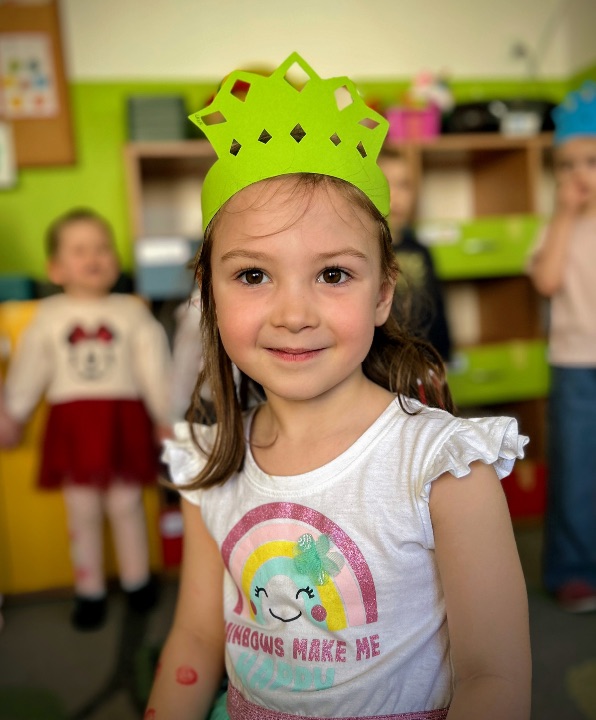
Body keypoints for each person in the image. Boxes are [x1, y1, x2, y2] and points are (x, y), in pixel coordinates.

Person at [146, 53, 531, 719]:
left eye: (332, 274)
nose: (294, 314)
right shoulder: (212, 460)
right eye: (253, 275)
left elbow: (493, 678)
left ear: (383, 294)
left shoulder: (444, 468)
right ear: (208, 292)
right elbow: (198, 638)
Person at [0, 209, 172, 630]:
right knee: (81, 510)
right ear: (55, 269)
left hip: (121, 420)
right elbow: (30, 366)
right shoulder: (49, 314)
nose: (94, 257)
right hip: (74, 425)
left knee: (127, 503)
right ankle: (88, 589)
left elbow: (154, 368)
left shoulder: (132, 311)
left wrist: (166, 416)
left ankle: (137, 581)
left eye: (102, 248)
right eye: (79, 250)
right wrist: (14, 412)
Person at [528, 81, 596, 613]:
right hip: (575, 364)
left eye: (591, 162)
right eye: (566, 165)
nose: (578, 174)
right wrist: (565, 217)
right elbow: (546, 281)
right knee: (575, 468)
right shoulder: (557, 228)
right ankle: (572, 568)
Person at [378, 147, 452, 362]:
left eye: (404, 185)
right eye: (386, 184)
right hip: (382, 363)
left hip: (424, 361)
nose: (396, 195)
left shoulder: (421, 251)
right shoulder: (365, 254)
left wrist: (444, 358)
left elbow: (437, 311)